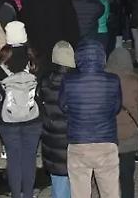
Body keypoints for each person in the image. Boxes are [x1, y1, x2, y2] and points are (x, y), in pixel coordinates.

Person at [59, 39, 122, 198]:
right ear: (102, 57)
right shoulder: (113, 80)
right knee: (111, 192)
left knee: (79, 193)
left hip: (78, 142)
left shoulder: (68, 80)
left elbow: (63, 106)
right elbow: (116, 107)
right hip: (106, 141)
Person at [0, 21, 43, 198]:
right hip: (33, 118)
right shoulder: (34, 60)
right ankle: (27, 194)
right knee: (29, 158)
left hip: (7, 119)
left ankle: (15, 195)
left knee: (13, 158)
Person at [104, 47, 138, 198]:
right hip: (128, 134)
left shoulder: (105, 80)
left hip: (108, 134)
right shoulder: (135, 80)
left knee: (107, 175)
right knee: (127, 176)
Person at [40, 41, 77, 198]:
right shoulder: (76, 83)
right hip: (73, 141)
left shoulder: (45, 82)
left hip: (52, 142)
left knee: (59, 184)